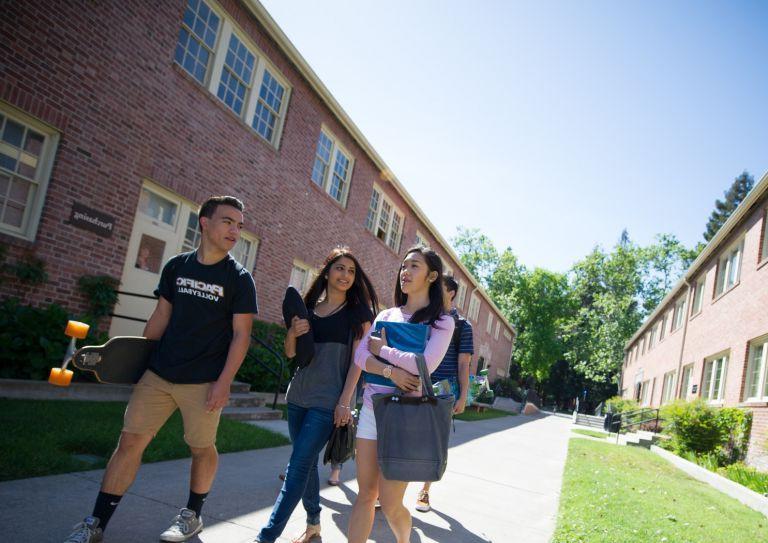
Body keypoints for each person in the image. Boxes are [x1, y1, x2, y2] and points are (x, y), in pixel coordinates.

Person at [63, 196, 258, 543]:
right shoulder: (176, 266)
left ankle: (192, 514)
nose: (235, 230)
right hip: (159, 373)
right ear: (204, 222)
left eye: (239, 225)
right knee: (129, 442)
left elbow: (242, 336)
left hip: (203, 381)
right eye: (228, 221)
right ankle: (96, 523)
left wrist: (224, 383)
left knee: (201, 448)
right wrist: (134, 357)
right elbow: (161, 317)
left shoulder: (240, 279)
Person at [256, 247, 378, 543]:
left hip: (327, 401)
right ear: (326, 271)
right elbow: (290, 353)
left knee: (297, 466)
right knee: (306, 462)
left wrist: (345, 402)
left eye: (351, 271)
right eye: (339, 268)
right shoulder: (309, 306)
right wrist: (292, 332)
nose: (345, 275)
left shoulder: (358, 314)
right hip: (298, 395)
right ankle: (313, 524)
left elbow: (357, 362)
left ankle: (266, 537)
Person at [347, 246, 455, 543]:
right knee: (366, 494)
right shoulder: (387, 314)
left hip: (408, 416)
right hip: (372, 409)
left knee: (391, 503)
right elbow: (359, 357)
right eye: (403, 266)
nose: (404, 272)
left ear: (432, 276)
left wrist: (382, 351)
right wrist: (391, 372)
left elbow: (424, 365)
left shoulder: (442, 322)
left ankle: (404, 540)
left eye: (414, 266)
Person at [415, 274, 474, 513]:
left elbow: (464, 364)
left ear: (450, 292)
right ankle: (392, 487)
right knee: (407, 433)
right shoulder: (425, 317)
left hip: (445, 391)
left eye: (438, 288)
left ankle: (425, 491)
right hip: (417, 383)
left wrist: (462, 396)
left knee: (434, 441)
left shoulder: (463, 326)